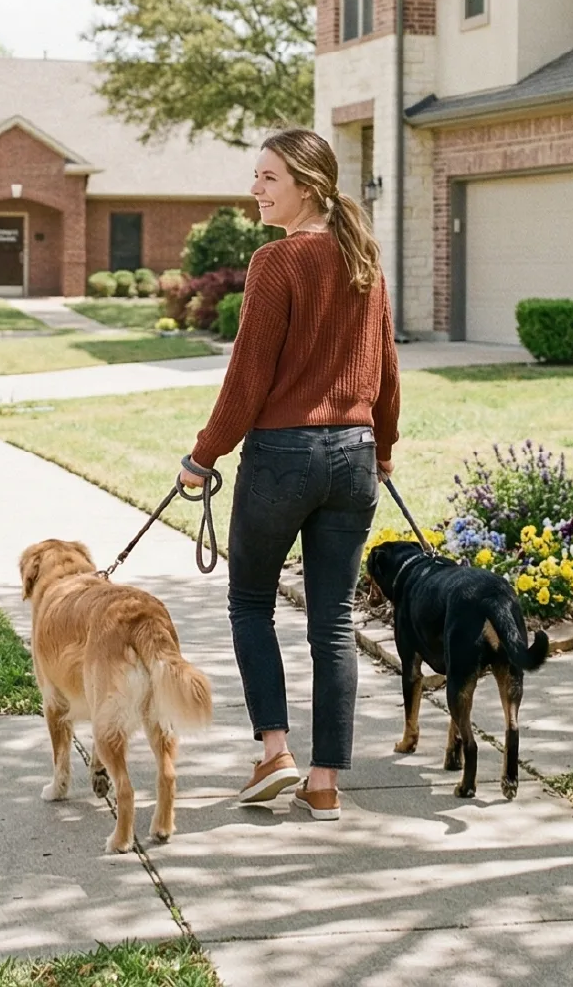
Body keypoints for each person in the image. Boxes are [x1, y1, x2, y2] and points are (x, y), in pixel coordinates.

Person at [179, 127, 400, 822]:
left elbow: (248, 379)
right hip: (354, 457)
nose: (255, 188)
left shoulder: (277, 264)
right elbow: (388, 373)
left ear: (306, 184)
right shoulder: (364, 259)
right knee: (333, 620)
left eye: (268, 178)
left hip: (282, 456)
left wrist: (204, 453)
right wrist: (383, 446)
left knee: (250, 602)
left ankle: (275, 752)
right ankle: (326, 782)